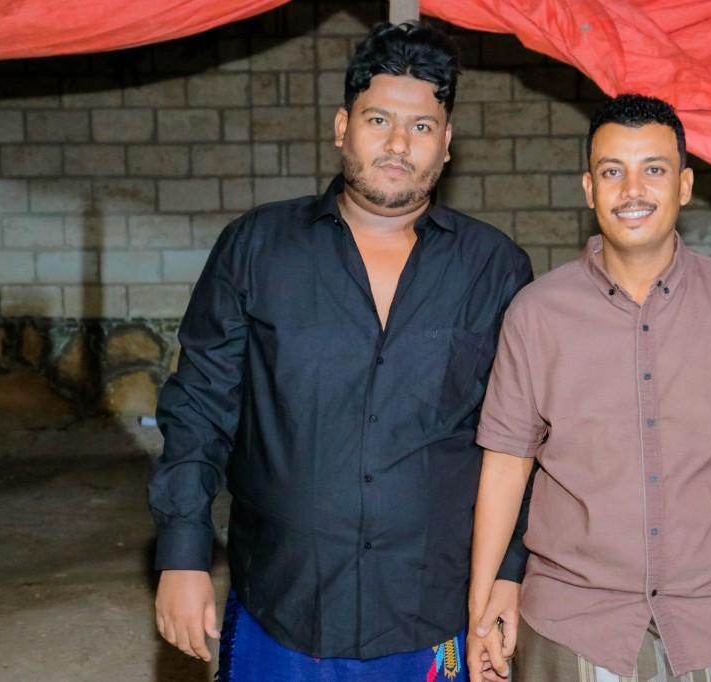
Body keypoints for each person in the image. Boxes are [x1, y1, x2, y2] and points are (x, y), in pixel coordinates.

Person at [147, 21, 534, 681]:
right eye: (378, 119)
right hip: (283, 607)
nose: (397, 143)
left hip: (432, 612)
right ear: (341, 127)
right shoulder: (258, 248)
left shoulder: (493, 268)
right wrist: (182, 554)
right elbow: (199, 407)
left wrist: (508, 573)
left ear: (446, 144)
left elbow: (519, 437)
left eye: (421, 126)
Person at [466, 93, 711, 682]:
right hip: (574, 624)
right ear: (589, 188)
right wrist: (480, 614)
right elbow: (505, 467)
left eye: (653, 169)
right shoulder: (536, 314)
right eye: (612, 172)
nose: (632, 190)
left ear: (684, 185)